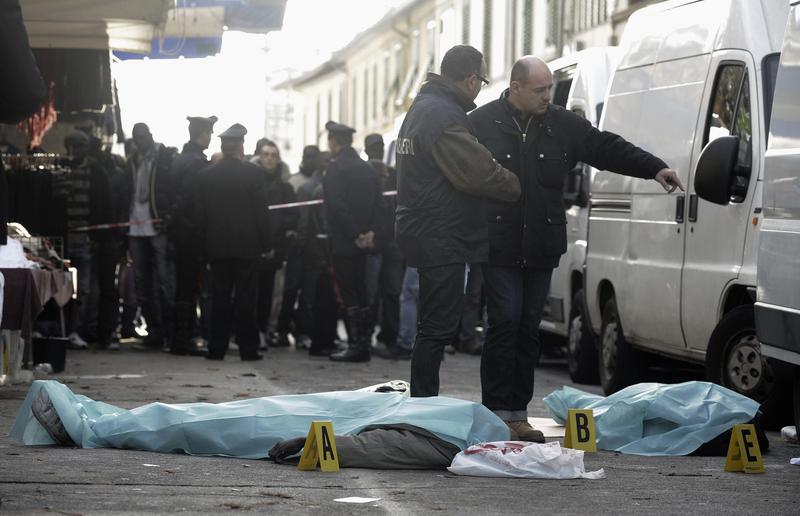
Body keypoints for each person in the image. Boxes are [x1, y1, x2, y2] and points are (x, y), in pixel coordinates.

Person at [468, 56, 685, 442]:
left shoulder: (560, 124)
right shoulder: (481, 123)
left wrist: (654, 167)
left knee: (528, 329)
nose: (547, 96)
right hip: (497, 245)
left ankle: (516, 415)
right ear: (515, 88)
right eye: (539, 89)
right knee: (505, 324)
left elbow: (606, 147)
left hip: (541, 245)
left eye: (549, 88)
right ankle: (496, 412)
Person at [395, 45, 521, 397]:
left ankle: (422, 402)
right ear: (470, 80)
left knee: (430, 324)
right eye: (481, 80)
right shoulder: (444, 115)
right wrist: (519, 186)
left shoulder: (422, 107)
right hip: (442, 233)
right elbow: (478, 172)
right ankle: (423, 408)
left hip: (423, 228)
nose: (481, 87)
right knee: (437, 327)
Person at [195, 123, 272, 361]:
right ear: (240, 146)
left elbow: (202, 216)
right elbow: (261, 211)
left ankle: (216, 348)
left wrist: (204, 247)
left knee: (219, 297)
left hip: (217, 247)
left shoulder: (206, 176)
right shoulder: (253, 173)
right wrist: (267, 243)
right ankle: (248, 348)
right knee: (246, 298)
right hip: (247, 247)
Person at [323, 121, 383, 362]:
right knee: (363, 291)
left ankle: (356, 346)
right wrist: (369, 233)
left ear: (333, 142)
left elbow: (337, 206)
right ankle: (364, 343)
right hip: (366, 242)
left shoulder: (336, 169)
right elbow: (379, 204)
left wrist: (354, 234)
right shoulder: (367, 169)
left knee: (348, 293)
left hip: (345, 242)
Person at [55, 131, 114, 349]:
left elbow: (105, 205)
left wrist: (99, 236)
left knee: (85, 288)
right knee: (64, 288)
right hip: (64, 239)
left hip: (86, 239)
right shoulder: (60, 169)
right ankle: (65, 330)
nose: (75, 151)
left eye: (79, 146)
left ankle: (77, 330)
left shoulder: (96, 172)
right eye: (71, 146)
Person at [122, 123, 176, 350]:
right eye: (137, 138)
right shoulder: (132, 161)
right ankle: (154, 331)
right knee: (143, 283)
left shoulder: (164, 158)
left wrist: (168, 215)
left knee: (164, 282)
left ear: (150, 136)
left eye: (143, 137)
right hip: (136, 226)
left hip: (156, 225)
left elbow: (171, 189)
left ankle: (170, 332)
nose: (140, 141)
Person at [169, 115, 217, 356]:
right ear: (203, 134)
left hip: (179, 233)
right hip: (191, 234)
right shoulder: (197, 163)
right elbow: (192, 202)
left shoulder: (179, 160)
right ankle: (183, 339)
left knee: (182, 287)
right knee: (189, 287)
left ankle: (181, 337)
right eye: (209, 133)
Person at [363, 133, 406, 360]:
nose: (377, 151)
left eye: (379, 147)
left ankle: (388, 337)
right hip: (374, 241)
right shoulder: (363, 173)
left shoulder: (394, 174)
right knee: (371, 293)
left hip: (392, 242)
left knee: (391, 291)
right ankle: (365, 336)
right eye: (373, 147)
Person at [276, 145, 321, 350]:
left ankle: (301, 331)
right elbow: (297, 217)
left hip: (311, 247)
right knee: (291, 291)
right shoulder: (296, 183)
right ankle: (283, 330)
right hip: (298, 246)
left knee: (307, 294)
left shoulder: (319, 184)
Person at [253, 139, 296, 349]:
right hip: (252, 247)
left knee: (270, 293)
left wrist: (281, 233)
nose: (269, 158)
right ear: (259, 158)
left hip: (275, 249)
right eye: (266, 154)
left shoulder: (285, 188)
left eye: (273, 155)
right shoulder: (251, 182)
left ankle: (263, 330)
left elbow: (292, 216)